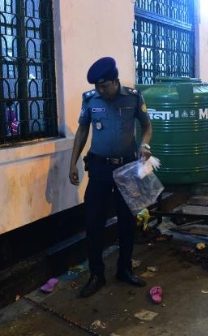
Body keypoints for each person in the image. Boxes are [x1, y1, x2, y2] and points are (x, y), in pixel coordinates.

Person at [69, 57, 153, 297]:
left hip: (127, 168)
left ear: (116, 81)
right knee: (94, 221)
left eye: (104, 86)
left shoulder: (133, 97)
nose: (100, 90)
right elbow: (82, 130)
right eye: (97, 86)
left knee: (127, 221)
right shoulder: (90, 100)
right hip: (99, 168)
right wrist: (72, 162)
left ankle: (124, 269)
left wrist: (145, 145)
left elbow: (146, 125)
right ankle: (96, 274)